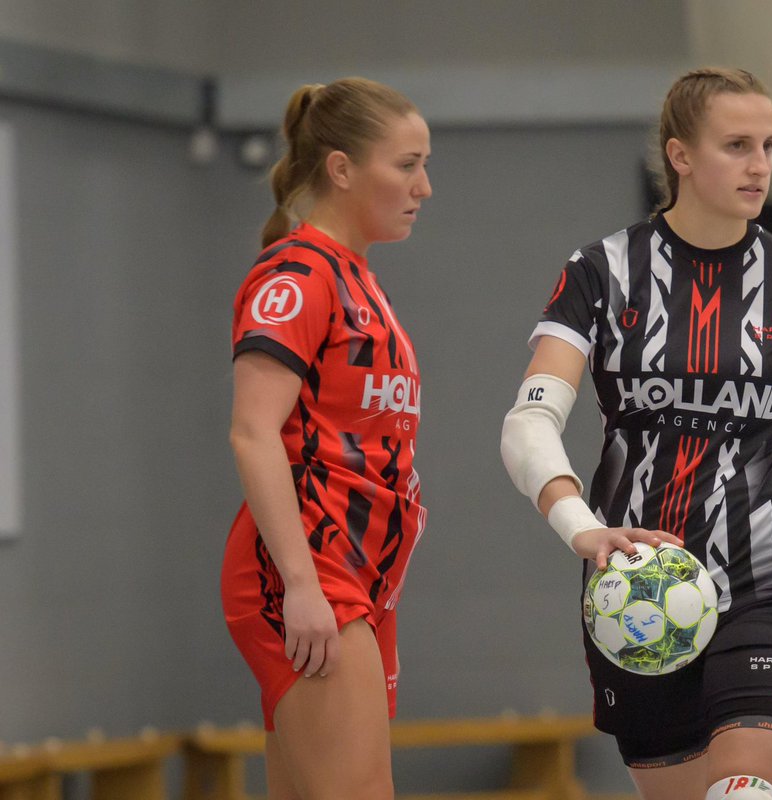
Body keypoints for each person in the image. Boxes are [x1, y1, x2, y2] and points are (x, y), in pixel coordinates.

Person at [501, 67, 772, 800]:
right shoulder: (601, 272)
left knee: (745, 791)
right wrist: (581, 527)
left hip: (769, 581)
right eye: (737, 145)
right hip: (637, 588)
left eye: (768, 145)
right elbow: (529, 423)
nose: (759, 165)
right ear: (680, 155)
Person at [222, 76, 431, 800]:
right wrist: (303, 585)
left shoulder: (359, 280)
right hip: (311, 569)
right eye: (407, 165)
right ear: (342, 169)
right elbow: (253, 432)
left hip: (360, 573)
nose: (424, 187)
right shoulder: (297, 275)